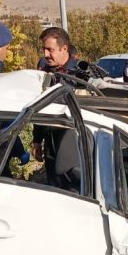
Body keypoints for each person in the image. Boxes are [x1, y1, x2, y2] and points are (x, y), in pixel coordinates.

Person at [32, 27, 80, 186]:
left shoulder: (81, 74)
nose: (45, 55)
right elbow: (39, 105)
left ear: (64, 48)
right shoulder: (44, 72)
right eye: (44, 49)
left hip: (74, 143)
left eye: (50, 50)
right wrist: (37, 140)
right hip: (51, 140)